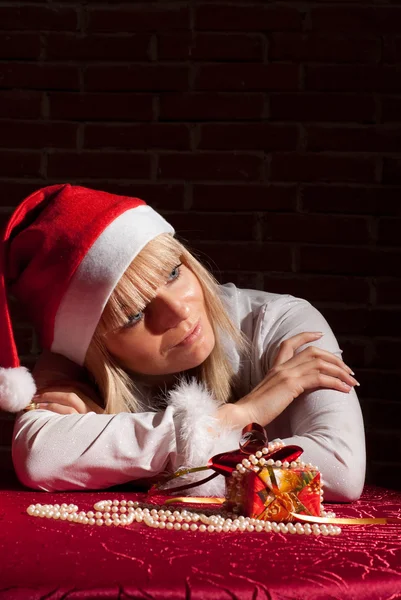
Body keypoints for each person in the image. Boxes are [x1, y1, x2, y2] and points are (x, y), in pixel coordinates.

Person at [0, 184, 365, 501]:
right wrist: (240, 417)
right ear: (95, 350)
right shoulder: (73, 364)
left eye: (173, 272)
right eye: (134, 315)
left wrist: (119, 451)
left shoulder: (279, 322)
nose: (177, 310)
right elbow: (39, 455)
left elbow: (340, 470)